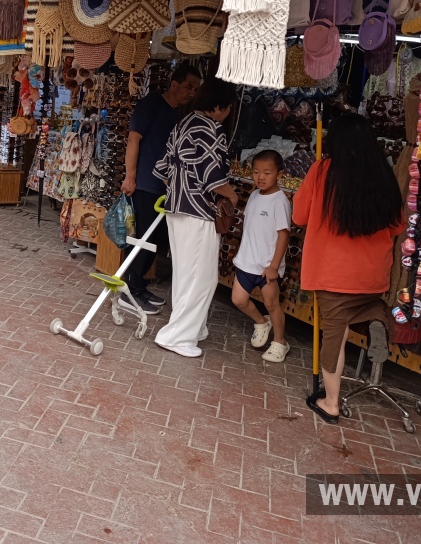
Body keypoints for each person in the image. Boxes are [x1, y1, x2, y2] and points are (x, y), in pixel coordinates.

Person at [296, 114, 403, 424]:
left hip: (333, 274)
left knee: (335, 337)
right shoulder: (383, 173)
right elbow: (397, 225)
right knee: (366, 306)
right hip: (373, 274)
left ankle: (330, 403)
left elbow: (299, 216)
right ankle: (376, 319)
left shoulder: (322, 170)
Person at [152, 78, 238, 358]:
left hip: (176, 208)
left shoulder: (183, 123)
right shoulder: (211, 129)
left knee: (185, 274)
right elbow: (213, 177)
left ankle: (193, 328)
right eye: (228, 107)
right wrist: (233, 196)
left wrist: (180, 189)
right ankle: (177, 336)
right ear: (220, 106)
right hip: (199, 211)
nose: (228, 113)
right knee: (201, 278)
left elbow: (162, 169)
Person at [120, 63, 202, 314]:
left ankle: (138, 286)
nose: (191, 93)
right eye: (188, 86)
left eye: (195, 89)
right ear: (174, 84)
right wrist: (130, 177)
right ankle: (127, 291)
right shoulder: (151, 104)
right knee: (140, 238)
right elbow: (133, 139)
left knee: (152, 240)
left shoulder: (176, 114)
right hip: (145, 185)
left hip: (164, 188)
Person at [231, 150, 292, 363]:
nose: (260, 177)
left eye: (267, 172)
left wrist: (274, 266)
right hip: (246, 262)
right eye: (256, 172)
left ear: (279, 175)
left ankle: (280, 342)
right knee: (238, 300)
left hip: (267, 266)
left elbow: (283, 235)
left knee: (272, 304)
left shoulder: (280, 201)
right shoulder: (254, 196)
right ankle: (261, 322)